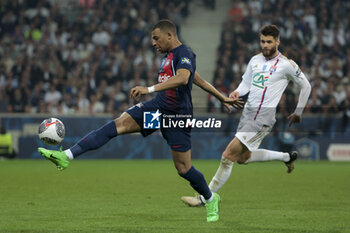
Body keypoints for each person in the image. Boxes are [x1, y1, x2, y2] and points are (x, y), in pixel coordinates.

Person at [38, 19, 242, 222]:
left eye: (156, 38)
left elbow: (183, 79)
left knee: (183, 169)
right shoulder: (168, 57)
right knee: (117, 125)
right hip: (157, 109)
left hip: (177, 116)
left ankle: (210, 198)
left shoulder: (184, 53)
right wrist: (221, 96)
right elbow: (198, 79)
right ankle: (66, 156)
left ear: (169, 35)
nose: (153, 43)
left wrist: (149, 88)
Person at [181, 25, 311, 207]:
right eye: (263, 41)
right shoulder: (255, 60)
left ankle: (204, 198)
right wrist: (236, 92)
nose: (265, 45)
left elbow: (306, 86)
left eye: (269, 42)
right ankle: (287, 157)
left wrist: (298, 111)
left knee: (227, 155)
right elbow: (246, 84)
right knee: (242, 158)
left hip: (263, 118)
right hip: (248, 115)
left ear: (277, 42)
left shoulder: (286, 65)